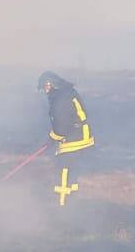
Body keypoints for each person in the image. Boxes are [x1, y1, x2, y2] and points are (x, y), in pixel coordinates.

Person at [37, 71, 94, 205]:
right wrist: (53, 138)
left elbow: (61, 127)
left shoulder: (60, 99)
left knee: (64, 166)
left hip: (76, 137)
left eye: (44, 88)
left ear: (50, 84)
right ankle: (72, 200)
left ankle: (62, 204)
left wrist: (52, 139)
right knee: (71, 169)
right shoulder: (65, 92)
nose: (45, 91)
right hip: (80, 134)